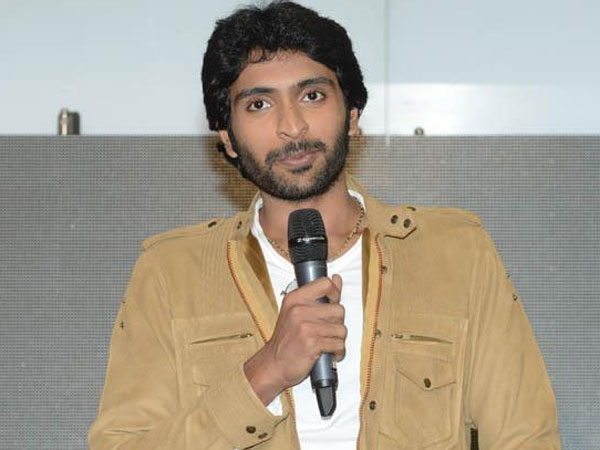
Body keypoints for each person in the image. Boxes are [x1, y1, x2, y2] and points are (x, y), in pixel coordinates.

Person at [88, 1, 561, 449]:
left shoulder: (454, 252)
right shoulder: (171, 272)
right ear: (228, 137)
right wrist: (266, 371)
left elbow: (525, 437)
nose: (292, 126)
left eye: (312, 95)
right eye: (259, 104)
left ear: (352, 114)